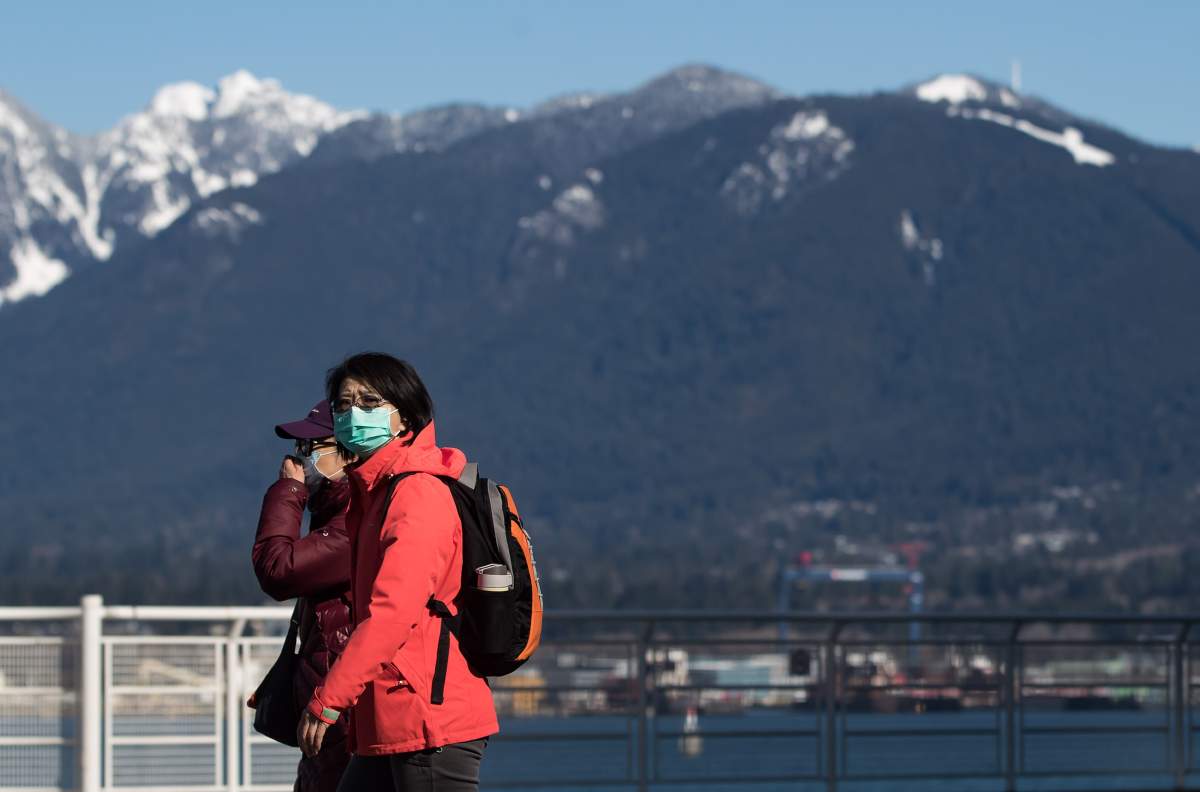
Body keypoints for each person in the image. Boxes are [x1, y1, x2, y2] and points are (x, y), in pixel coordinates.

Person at [297, 353, 497, 792]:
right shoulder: (375, 494)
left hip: (428, 718)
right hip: (390, 718)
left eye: (370, 402)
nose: (354, 414)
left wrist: (329, 699)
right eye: (344, 404)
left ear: (405, 415)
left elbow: (393, 613)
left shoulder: (416, 494)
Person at [252, 400, 355, 792]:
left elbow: (277, 570)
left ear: (347, 454)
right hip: (326, 708)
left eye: (311, 448)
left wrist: (288, 490)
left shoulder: (352, 522)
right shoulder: (332, 514)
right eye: (298, 449)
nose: (300, 460)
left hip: (342, 711)